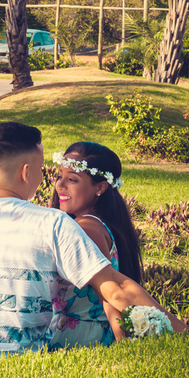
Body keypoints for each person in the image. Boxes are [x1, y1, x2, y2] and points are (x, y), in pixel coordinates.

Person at [0, 122, 177, 369]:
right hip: (16, 359)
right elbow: (117, 290)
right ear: (26, 172)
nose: (52, 182)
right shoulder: (54, 224)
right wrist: (181, 330)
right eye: (44, 170)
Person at [47, 142, 142, 350]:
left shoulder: (86, 228)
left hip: (80, 339)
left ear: (100, 187)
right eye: (59, 176)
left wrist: (124, 345)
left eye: (72, 179)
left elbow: (108, 295)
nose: (60, 185)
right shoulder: (94, 223)